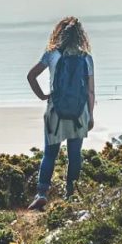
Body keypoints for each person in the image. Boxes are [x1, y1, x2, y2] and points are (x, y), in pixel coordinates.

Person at [26, 16, 95, 210]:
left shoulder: (51, 54)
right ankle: (70, 194)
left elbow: (31, 76)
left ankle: (41, 193)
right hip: (78, 112)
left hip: (55, 110)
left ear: (59, 33)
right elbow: (90, 91)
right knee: (75, 154)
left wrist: (42, 96)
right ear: (80, 36)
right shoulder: (86, 57)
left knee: (50, 153)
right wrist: (90, 115)